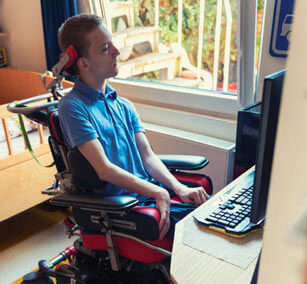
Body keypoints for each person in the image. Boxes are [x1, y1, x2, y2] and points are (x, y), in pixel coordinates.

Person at [58, 14, 209, 239]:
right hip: (121, 207)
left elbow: (147, 157)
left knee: (209, 213)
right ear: (84, 63)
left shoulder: (123, 105)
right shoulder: (72, 106)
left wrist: (179, 189)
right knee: (202, 231)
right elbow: (104, 169)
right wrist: (157, 191)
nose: (117, 52)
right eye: (106, 48)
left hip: (146, 193)